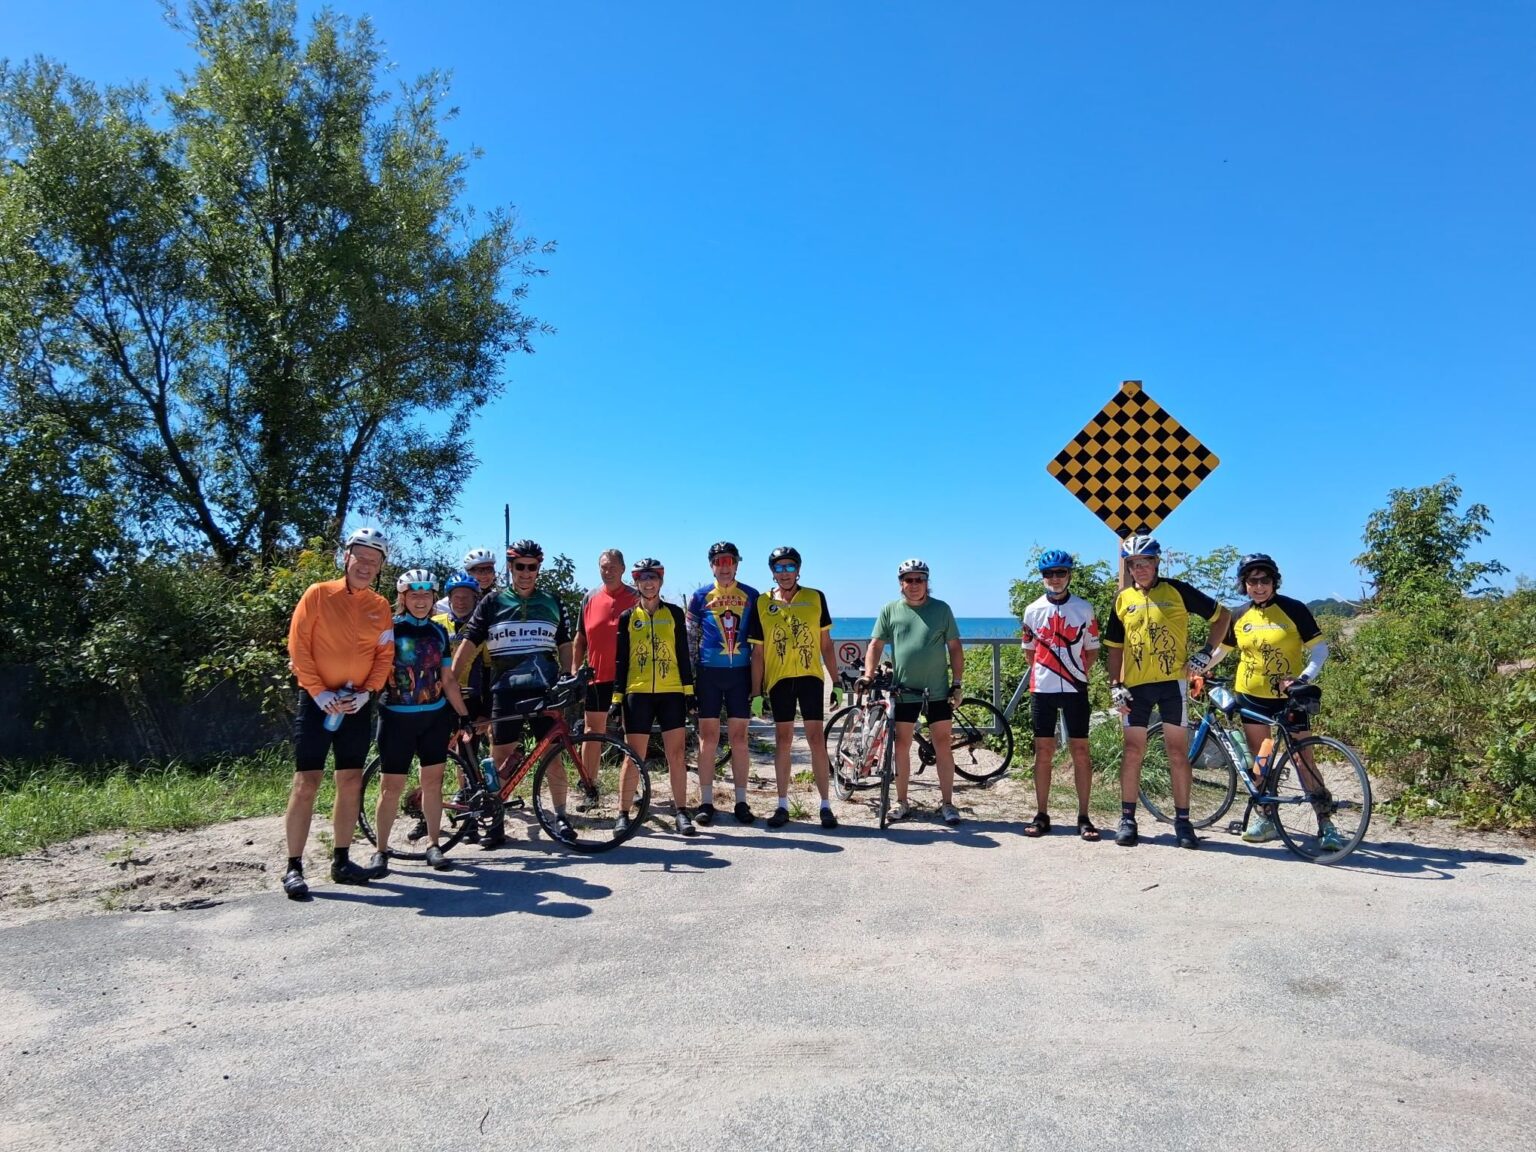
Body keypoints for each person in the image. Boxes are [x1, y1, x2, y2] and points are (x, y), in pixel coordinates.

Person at [282, 527, 396, 899]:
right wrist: (318, 692)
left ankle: (341, 860)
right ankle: (294, 867)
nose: (366, 565)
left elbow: (384, 655)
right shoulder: (318, 594)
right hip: (318, 703)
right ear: (346, 558)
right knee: (307, 782)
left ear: (380, 567)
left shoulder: (380, 606)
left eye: (373, 561)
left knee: (350, 781)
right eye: (360, 557)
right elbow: (299, 647)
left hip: (355, 704)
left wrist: (369, 692)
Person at [1103, 534, 1232, 850]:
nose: (1140, 568)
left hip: (1173, 684)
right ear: (1129, 568)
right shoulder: (1122, 599)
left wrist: (1206, 652)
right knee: (1133, 751)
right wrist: (1115, 685)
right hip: (1135, 687)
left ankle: (1183, 822)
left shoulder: (1178, 591)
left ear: (1156, 562)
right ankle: (1127, 819)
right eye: (1134, 564)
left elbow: (1222, 616)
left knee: (1177, 753)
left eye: (1145, 562)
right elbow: (1115, 648)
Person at [450, 538, 575, 846]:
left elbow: (564, 642)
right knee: (500, 758)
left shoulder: (552, 601)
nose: (526, 573)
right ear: (510, 567)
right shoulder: (492, 602)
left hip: (546, 690)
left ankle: (561, 816)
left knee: (553, 756)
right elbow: (470, 641)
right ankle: (496, 821)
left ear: (538, 569)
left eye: (532, 567)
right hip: (505, 690)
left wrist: (568, 675)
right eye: (520, 567)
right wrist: (450, 679)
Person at [1220, 553, 1342, 850]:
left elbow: (1320, 650)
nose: (1258, 586)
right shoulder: (1238, 615)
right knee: (1261, 760)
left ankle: (1326, 823)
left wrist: (1302, 679)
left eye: (1265, 580)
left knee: (1303, 760)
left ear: (1274, 581)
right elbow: (1221, 651)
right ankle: (1266, 819)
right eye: (1252, 581)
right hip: (1251, 697)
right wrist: (1196, 669)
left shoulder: (1294, 609)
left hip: (1290, 699)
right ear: (1244, 584)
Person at [371, 569, 471, 874]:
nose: (420, 600)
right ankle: (380, 850)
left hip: (433, 718)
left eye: (426, 595)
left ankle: (433, 845)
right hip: (396, 718)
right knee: (391, 787)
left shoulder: (438, 632)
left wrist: (463, 716)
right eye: (414, 595)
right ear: (402, 598)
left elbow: (448, 679)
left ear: (433, 598)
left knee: (432, 784)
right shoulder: (389, 629)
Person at [860, 559, 966, 825]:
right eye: (909, 579)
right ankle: (901, 801)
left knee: (942, 744)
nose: (915, 584)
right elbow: (875, 645)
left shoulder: (941, 609)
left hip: (937, 691)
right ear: (901, 583)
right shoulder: (890, 610)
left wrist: (957, 683)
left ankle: (947, 803)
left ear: (927, 582)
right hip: (904, 690)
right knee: (901, 745)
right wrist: (868, 675)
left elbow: (954, 647)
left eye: (920, 579)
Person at [747, 546, 841, 829]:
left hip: (811, 677)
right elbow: (758, 653)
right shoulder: (762, 602)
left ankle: (825, 805)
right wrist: (756, 693)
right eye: (779, 568)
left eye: (790, 567)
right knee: (783, 740)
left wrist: (837, 682)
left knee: (816, 740)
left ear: (798, 570)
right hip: (779, 680)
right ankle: (782, 804)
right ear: (772, 572)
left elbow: (826, 644)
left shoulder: (815, 597)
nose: (785, 573)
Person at [1019, 549, 1102, 840]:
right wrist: (1049, 673)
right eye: (1049, 574)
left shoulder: (1084, 608)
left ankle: (1084, 816)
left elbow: (1092, 650)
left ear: (1069, 575)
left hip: (1075, 689)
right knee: (1043, 751)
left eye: (1060, 573)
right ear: (1042, 577)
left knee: (1081, 751)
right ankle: (1041, 814)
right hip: (1043, 690)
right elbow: (1030, 653)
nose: (1055, 578)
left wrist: (1075, 672)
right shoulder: (1032, 610)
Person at [612, 558, 697, 835]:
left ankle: (681, 812)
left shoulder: (674, 613)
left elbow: (682, 654)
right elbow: (621, 661)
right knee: (633, 755)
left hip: (671, 691)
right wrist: (616, 698)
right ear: (636, 583)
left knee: (677, 754)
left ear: (660, 581)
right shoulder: (627, 617)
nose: (648, 583)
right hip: (637, 692)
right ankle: (623, 814)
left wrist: (689, 692)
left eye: (653, 577)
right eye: (643, 578)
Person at [686, 541, 759, 825]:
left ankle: (741, 801)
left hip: (740, 675)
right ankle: (706, 801)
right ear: (711, 566)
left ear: (737, 564)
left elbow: (760, 643)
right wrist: (688, 682)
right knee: (708, 738)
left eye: (729, 561)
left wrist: (759, 685)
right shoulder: (699, 596)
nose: (724, 566)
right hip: (708, 675)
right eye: (719, 561)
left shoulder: (752, 595)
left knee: (739, 739)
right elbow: (690, 640)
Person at [571, 549, 638, 810]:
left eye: (612, 567)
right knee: (592, 733)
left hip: (630, 678)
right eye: (603, 567)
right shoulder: (589, 597)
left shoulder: (636, 597)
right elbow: (580, 639)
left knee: (633, 734)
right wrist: (575, 670)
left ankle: (632, 789)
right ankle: (590, 788)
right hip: (597, 677)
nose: (607, 571)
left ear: (623, 569)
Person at [434, 547, 499, 614]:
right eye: (479, 570)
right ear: (469, 573)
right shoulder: (444, 605)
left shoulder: (500, 600)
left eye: (489, 570)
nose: (484, 575)